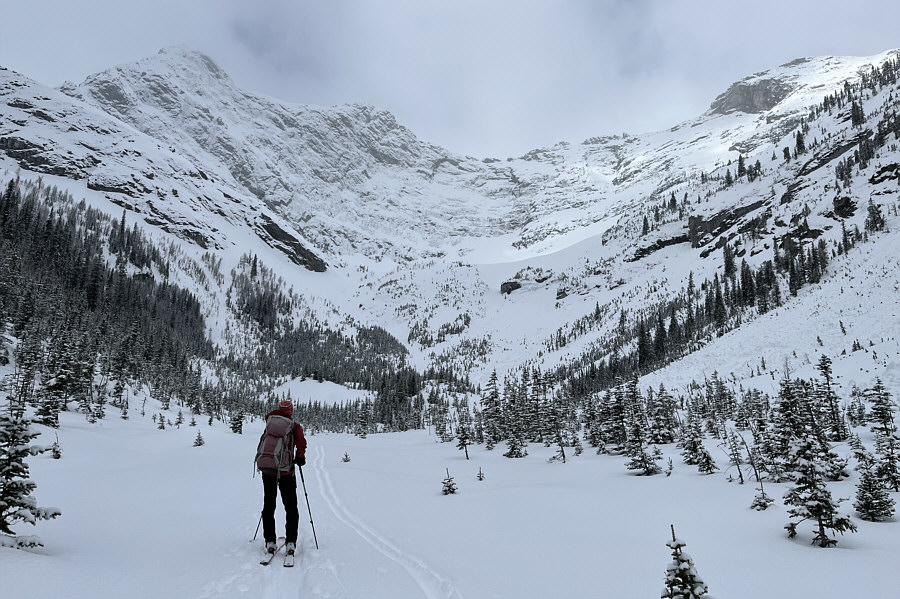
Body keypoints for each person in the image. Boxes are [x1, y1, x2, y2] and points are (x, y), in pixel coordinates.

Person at [257, 399, 307, 556]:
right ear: (291, 411)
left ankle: (269, 540)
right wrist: (300, 457)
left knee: (269, 504)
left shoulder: (270, 422)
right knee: (291, 506)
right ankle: (291, 542)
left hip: (268, 470)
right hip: (286, 471)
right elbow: (301, 444)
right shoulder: (294, 426)